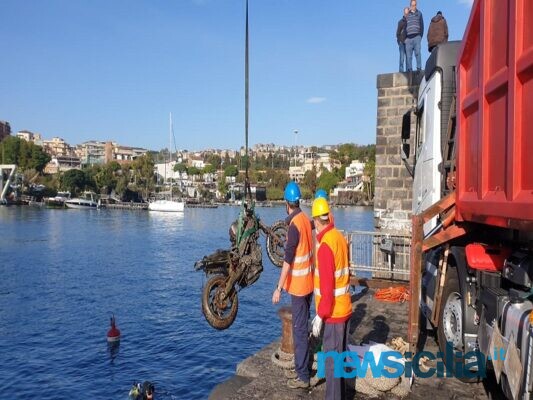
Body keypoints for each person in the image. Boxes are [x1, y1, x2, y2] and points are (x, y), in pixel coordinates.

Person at [272, 181, 314, 389]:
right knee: (303, 327)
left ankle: (303, 376)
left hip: (298, 286)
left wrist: (278, 288)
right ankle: (303, 365)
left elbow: (288, 260)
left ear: (286, 203)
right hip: (309, 283)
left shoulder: (294, 226)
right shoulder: (305, 219)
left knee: (299, 331)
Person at [311, 197, 352, 400]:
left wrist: (320, 316)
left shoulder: (325, 246)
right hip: (344, 310)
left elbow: (327, 289)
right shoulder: (339, 238)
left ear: (318, 221)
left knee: (332, 367)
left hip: (333, 315)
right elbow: (345, 274)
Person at [405, 0, 424, 72]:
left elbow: (422, 25)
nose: (414, 6)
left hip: (417, 37)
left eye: (415, 5)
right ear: (410, 5)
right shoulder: (407, 14)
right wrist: (405, 38)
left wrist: (420, 36)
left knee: (418, 53)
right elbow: (404, 24)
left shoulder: (419, 13)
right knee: (409, 56)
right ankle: (409, 70)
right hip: (408, 38)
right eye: (412, 5)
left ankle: (419, 68)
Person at [396, 7, 409, 73]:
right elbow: (397, 33)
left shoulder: (410, 21)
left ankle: (407, 72)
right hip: (401, 42)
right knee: (401, 58)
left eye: (407, 13)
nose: (406, 14)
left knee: (408, 58)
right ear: (404, 13)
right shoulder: (400, 22)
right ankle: (401, 72)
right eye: (405, 13)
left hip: (408, 42)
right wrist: (399, 41)